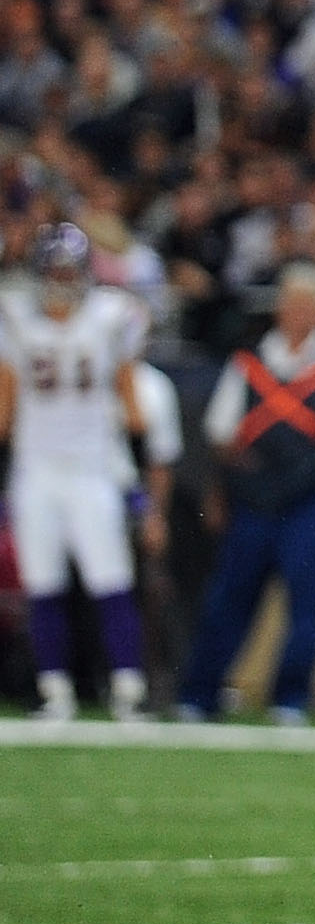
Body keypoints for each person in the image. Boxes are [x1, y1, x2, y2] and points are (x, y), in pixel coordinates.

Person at [174, 266, 315, 724]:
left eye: (309, 304)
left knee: (306, 599)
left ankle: (291, 697)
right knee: (230, 595)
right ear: (279, 307)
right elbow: (220, 432)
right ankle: (200, 693)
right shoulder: (250, 363)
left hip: (312, 496)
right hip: (255, 495)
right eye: (292, 303)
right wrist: (237, 475)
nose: (300, 313)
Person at [0, 224, 160, 720]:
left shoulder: (112, 316)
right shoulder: (16, 319)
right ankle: (55, 691)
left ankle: (129, 690)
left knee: (110, 580)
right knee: (43, 584)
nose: (62, 279)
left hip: (93, 469)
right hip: (36, 469)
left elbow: (132, 406)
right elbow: (4, 405)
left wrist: (135, 476)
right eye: (54, 270)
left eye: (69, 270)